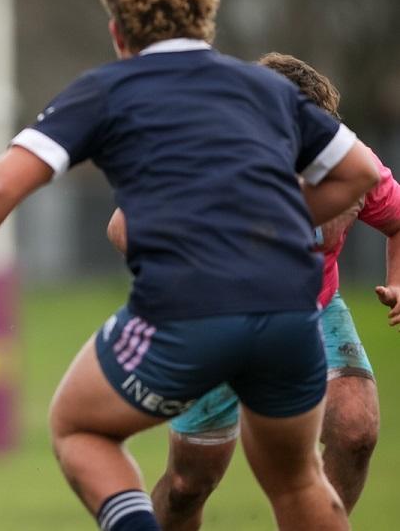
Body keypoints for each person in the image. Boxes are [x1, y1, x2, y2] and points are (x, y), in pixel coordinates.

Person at [0, 0, 379, 531]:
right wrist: (276, 223)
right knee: (297, 484)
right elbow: (361, 172)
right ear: (206, 20)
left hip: (188, 307)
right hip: (289, 311)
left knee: (78, 427)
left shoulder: (109, 89)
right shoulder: (265, 88)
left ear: (119, 32)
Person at [105, 53, 400, 530]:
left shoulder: (352, 169)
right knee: (187, 485)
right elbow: (123, 228)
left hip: (311, 311)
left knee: (356, 429)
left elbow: (398, 219)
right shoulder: (204, 158)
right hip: (214, 317)